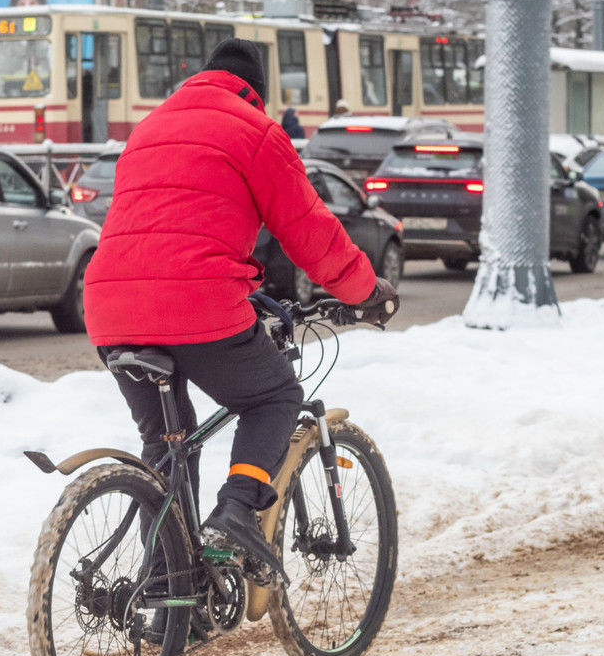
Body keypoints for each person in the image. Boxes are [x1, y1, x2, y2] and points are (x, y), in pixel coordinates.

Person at [83, 39, 399, 591]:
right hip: (195, 302)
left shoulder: (150, 127)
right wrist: (365, 290)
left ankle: (168, 591)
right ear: (255, 92)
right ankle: (237, 511)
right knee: (274, 397)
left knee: (168, 441)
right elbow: (310, 231)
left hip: (109, 307)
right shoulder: (255, 130)